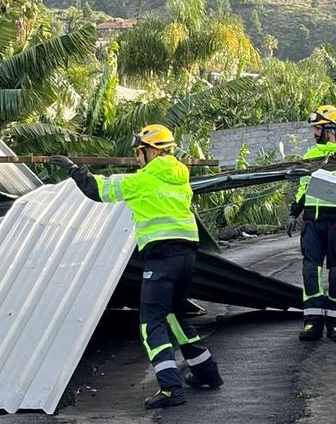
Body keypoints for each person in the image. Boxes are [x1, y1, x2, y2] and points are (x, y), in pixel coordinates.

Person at [50, 124, 223, 409]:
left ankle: (170, 389)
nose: (138, 158)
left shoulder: (143, 181)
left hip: (161, 257)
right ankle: (207, 373)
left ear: (153, 150)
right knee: (175, 318)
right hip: (187, 256)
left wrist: (72, 168)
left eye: (140, 151)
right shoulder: (180, 177)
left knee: (151, 323)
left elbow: (98, 190)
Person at [286, 105, 336, 343]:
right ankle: (312, 322)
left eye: (318, 128)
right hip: (312, 221)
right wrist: (294, 213)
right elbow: (303, 187)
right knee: (310, 270)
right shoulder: (312, 154)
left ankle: (335, 325)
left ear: (331, 128)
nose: (314, 133)